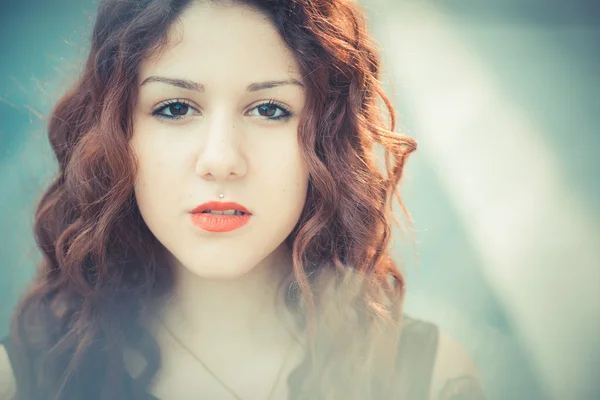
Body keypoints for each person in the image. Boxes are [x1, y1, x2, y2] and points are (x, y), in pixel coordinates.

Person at [0, 0, 487, 399]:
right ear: (117, 135)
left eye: (270, 109)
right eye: (174, 108)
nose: (221, 159)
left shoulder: (430, 380)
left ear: (327, 141)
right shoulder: (23, 379)